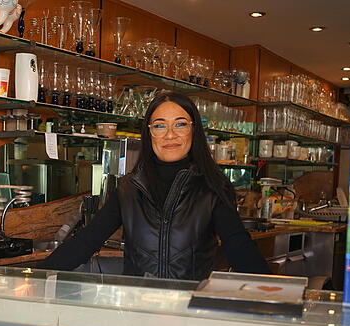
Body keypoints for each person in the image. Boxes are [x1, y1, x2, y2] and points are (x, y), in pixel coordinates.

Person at [38, 92, 269, 281]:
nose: (170, 135)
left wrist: (276, 294)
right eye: (160, 126)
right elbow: (87, 241)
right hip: (139, 310)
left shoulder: (211, 186)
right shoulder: (129, 188)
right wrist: (33, 279)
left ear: (194, 130)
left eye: (180, 124)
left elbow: (238, 246)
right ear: (149, 133)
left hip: (189, 311)